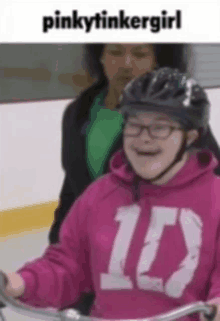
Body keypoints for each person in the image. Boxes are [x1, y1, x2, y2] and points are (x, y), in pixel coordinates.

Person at [4, 67, 220, 321]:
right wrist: (18, 283)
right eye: (134, 125)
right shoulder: (101, 194)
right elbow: (67, 267)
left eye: (160, 128)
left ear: (190, 137)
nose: (143, 138)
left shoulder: (214, 200)